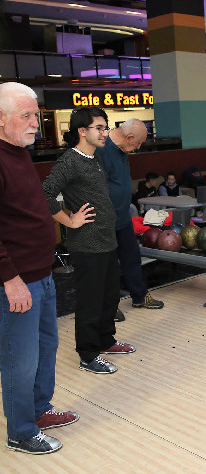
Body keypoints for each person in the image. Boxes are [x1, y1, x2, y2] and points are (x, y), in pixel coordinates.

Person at [0, 82, 78, 455]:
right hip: (16, 281)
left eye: (37, 114)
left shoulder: (18, 153)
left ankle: (39, 409)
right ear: (1, 119)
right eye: (27, 116)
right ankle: (21, 431)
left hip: (41, 273)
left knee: (47, 346)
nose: (36, 123)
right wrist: (9, 279)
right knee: (20, 357)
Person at [43, 107, 135, 375]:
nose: (105, 133)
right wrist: (69, 221)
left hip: (107, 240)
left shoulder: (95, 159)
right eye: (99, 128)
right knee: (90, 301)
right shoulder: (69, 161)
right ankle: (88, 354)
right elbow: (46, 193)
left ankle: (105, 340)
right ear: (82, 131)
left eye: (106, 127)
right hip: (87, 244)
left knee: (109, 296)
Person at [95, 118, 164, 320]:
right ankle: (108, 307)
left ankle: (139, 296)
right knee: (107, 266)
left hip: (122, 215)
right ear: (129, 136)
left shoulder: (123, 148)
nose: (139, 147)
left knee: (131, 257)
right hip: (104, 218)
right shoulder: (101, 147)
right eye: (139, 142)